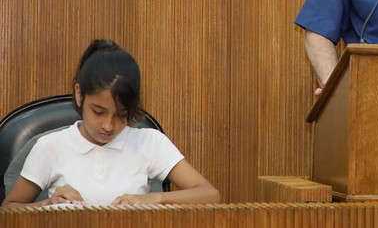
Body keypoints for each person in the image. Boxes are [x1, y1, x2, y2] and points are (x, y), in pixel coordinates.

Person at [2, 39, 220, 207]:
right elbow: (8, 209)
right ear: (79, 95)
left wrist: (154, 199)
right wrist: (47, 205)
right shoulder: (51, 146)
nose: (108, 125)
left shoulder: (149, 142)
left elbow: (210, 195)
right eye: (98, 112)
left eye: (121, 115)